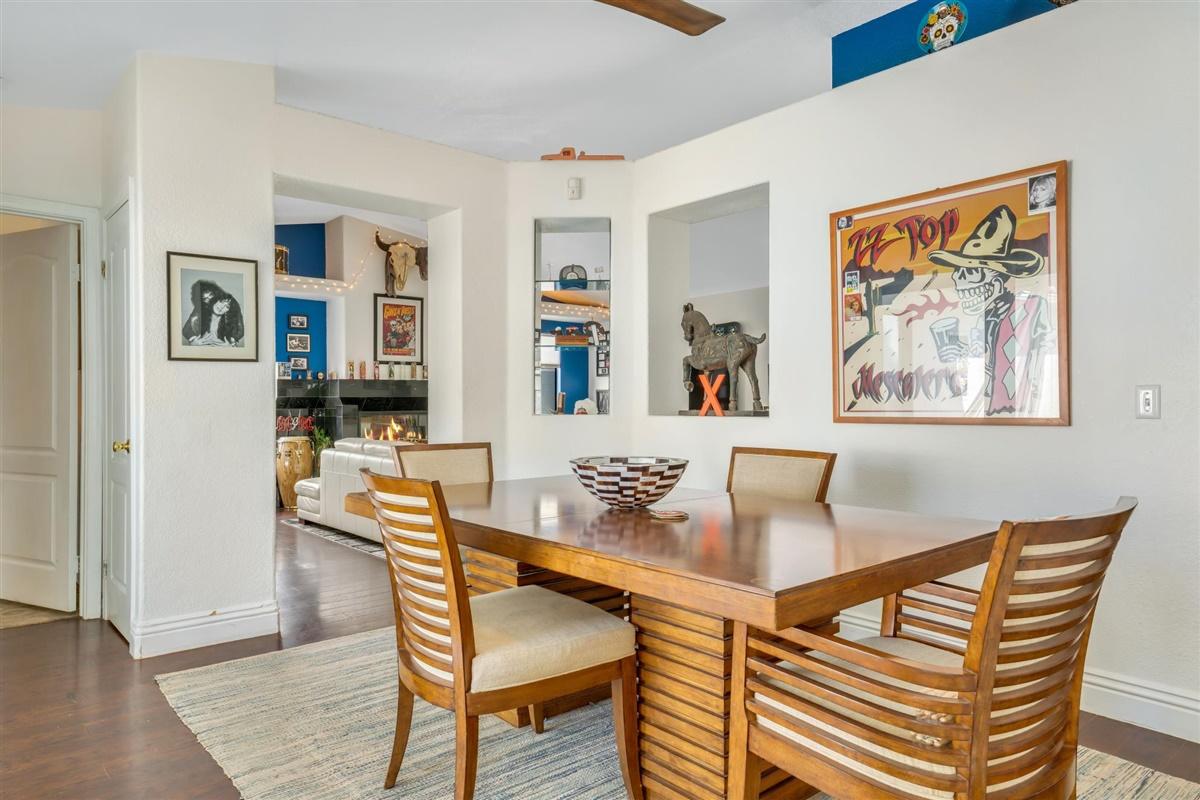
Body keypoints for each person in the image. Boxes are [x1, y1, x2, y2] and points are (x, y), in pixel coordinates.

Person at [183, 279, 245, 346]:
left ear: (216, 292)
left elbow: (240, 329)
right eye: (205, 298)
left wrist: (232, 341)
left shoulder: (230, 301)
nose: (209, 299)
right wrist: (194, 340)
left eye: (211, 295)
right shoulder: (201, 306)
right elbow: (187, 329)